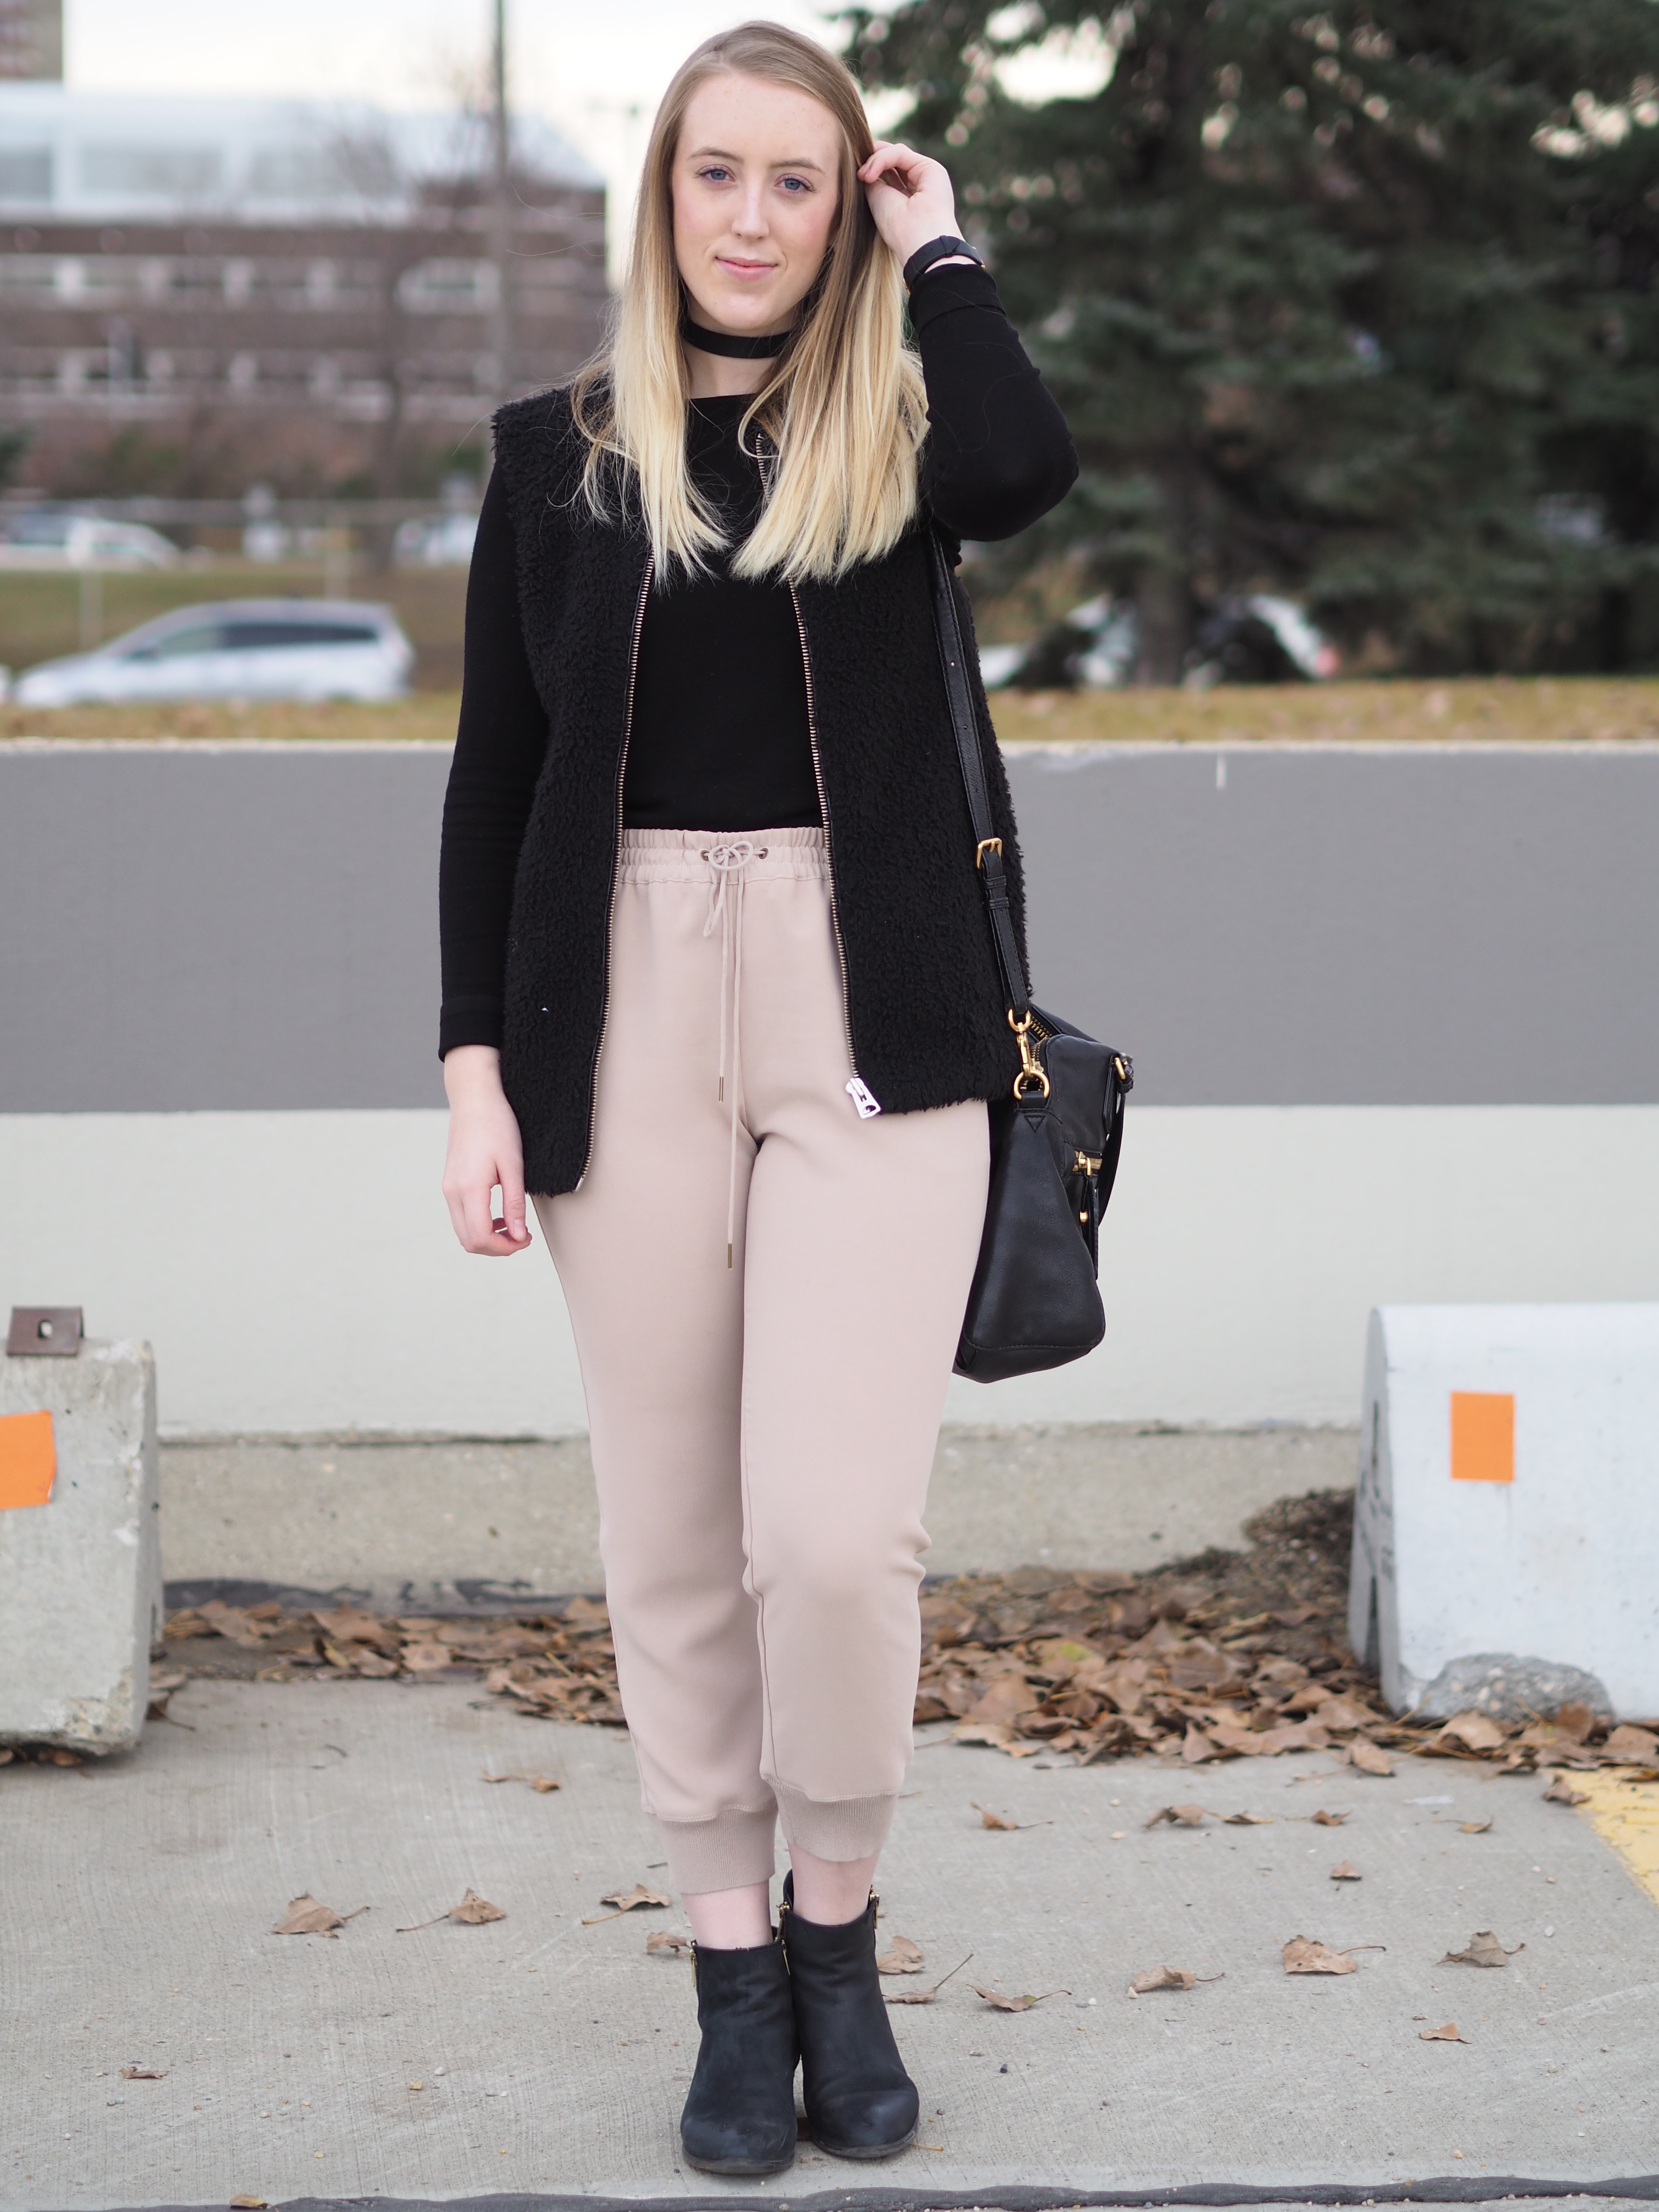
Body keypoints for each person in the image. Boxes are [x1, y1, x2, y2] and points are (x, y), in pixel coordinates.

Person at [438, 17, 1075, 2179]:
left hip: (870, 1011)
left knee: (829, 1536)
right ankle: (728, 1980)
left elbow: (1025, 473)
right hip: (611, 1005)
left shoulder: (889, 433)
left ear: (843, 208)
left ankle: (839, 1932)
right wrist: (470, 1077)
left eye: (801, 181)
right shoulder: (554, 456)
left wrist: (949, 249)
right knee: (670, 1544)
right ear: (664, 197)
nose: (753, 216)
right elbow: (492, 789)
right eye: (720, 174)